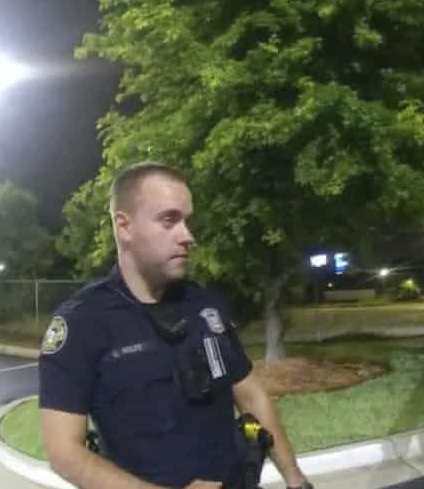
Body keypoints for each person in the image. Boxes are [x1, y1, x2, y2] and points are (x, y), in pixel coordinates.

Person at [39, 162, 313, 489]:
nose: (188, 236)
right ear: (124, 227)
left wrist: (297, 482)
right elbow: (64, 454)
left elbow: (251, 396)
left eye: (187, 221)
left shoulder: (205, 305)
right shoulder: (81, 322)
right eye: (169, 220)